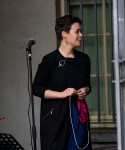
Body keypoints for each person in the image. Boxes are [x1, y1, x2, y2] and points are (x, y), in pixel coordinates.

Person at [32, 15, 92, 150]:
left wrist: (85, 90)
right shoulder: (49, 60)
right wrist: (62, 94)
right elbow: (36, 88)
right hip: (55, 118)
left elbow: (88, 85)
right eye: (77, 31)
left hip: (78, 115)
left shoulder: (84, 59)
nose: (81, 35)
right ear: (64, 34)